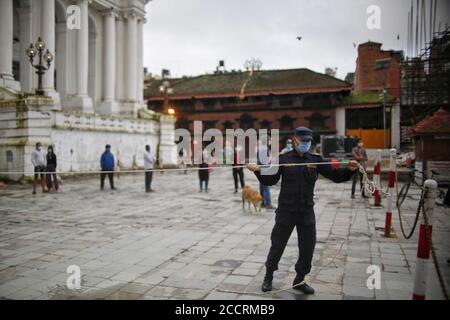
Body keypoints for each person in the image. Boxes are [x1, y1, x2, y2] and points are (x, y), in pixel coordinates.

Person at [247, 126, 358, 294]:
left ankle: (300, 279)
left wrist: (349, 170)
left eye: (308, 141)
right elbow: (270, 180)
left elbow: (335, 176)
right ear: (295, 140)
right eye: (303, 141)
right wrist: (258, 171)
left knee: (308, 247)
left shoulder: (315, 160)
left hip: (306, 211)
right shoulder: (283, 159)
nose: (306, 144)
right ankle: (268, 276)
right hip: (286, 210)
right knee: (277, 244)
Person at [258, 137, 275, 209]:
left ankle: (262, 202)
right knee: (266, 187)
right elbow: (267, 160)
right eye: (269, 140)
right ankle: (268, 203)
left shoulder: (260, 148)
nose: (270, 141)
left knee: (262, 186)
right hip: (265, 168)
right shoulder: (266, 149)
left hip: (260, 168)